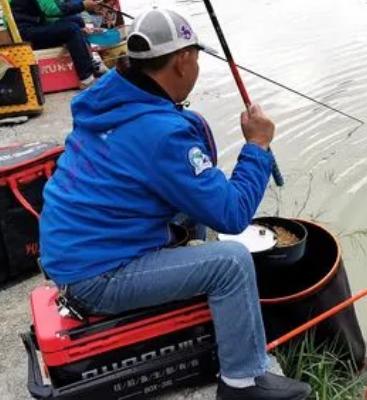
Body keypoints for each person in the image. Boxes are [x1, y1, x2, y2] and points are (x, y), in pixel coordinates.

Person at [39, 8, 311, 400]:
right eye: (196, 58)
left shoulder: (108, 100)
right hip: (95, 275)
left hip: (73, 250)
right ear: (183, 61)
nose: (197, 67)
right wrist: (257, 146)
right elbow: (233, 215)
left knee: (192, 213)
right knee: (231, 262)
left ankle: (212, 319)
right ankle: (243, 381)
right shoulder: (163, 133)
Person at [10, 0, 106, 88]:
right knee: (71, 29)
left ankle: (90, 62)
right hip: (27, 32)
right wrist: (82, 5)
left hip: (37, 24)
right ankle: (86, 79)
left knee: (77, 21)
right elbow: (52, 10)